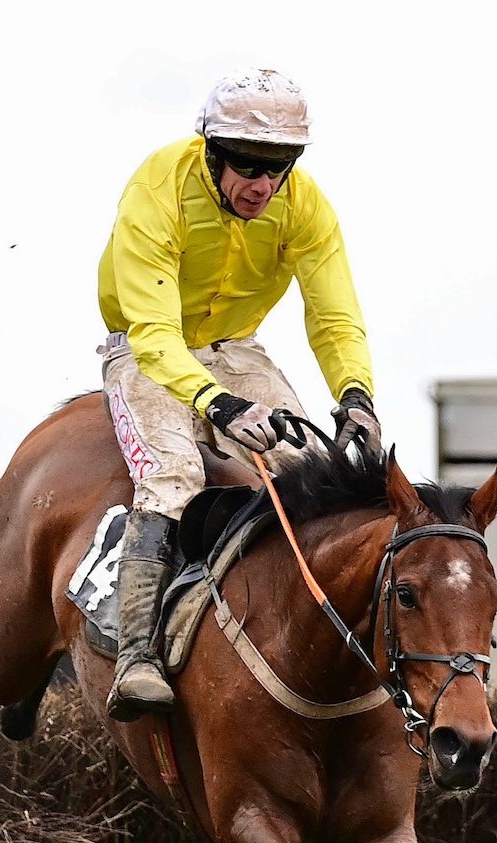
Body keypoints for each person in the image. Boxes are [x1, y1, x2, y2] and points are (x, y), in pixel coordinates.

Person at [98, 69, 379, 720]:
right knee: (175, 472)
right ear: (212, 152)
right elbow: (156, 333)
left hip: (236, 347)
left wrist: (357, 397)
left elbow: (334, 317)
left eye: (279, 168)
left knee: (322, 473)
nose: (263, 185)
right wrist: (219, 405)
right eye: (249, 166)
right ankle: (135, 655)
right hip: (145, 350)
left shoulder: (304, 204)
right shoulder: (157, 186)